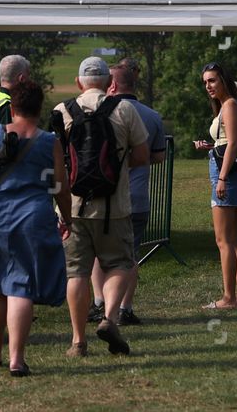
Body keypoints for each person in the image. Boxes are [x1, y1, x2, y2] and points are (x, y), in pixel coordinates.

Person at [0, 81, 70, 377]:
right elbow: (59, 186)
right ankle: (17, 359)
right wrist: (67, 218)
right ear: (40, 109)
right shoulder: (50, 142)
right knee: (21, 286)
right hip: (34, 218)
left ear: (12, 107)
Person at [52, 56, 150, 356]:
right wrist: (117, 168)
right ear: (110, 83)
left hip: (74, 208)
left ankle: (78, 341)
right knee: (119, 264)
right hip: (115, 206)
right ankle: (109, 318)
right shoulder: (124, 109)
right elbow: (143, 155)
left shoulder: (61, 111)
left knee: (77, 273)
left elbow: (54, 162)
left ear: (79, 83)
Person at [90, 59, 166, 327]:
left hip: (104, 196)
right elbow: (157, 155)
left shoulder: (98, 112)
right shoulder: (152, 116)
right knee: (130, 256)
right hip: (137, 194)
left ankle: (99, 303)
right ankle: (125, 307)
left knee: (99, 253)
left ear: (111, 85)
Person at [192, 62, 237, 309]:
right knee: (234, 239)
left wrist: (222, 178)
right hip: (230, 173)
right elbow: (229, 141)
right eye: (205, 82)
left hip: (227, 175)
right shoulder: (229, 106)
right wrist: (210, 147)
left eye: (213, 80)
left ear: (224, 80)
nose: (208, 86)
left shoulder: (229, 105)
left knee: (224, 240)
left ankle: (229, 297)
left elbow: (233, 146)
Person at [0, 54, 31, 140]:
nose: (30, 81)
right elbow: (8, 146)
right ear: (22, 79)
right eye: (28, 76)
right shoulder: (7, 105)